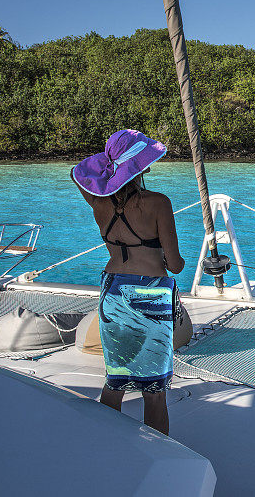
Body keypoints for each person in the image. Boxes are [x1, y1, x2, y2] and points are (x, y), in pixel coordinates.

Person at [71, 129, 184, 435]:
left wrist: (109, 165)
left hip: (114, 291)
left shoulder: (98, 203)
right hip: (151, 295)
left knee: (115, 380)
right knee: (154, 391)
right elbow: (174, 265)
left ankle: (109, 447)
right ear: (139, 165)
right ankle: (157, 457)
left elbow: (76, 172)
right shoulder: (159, 202)